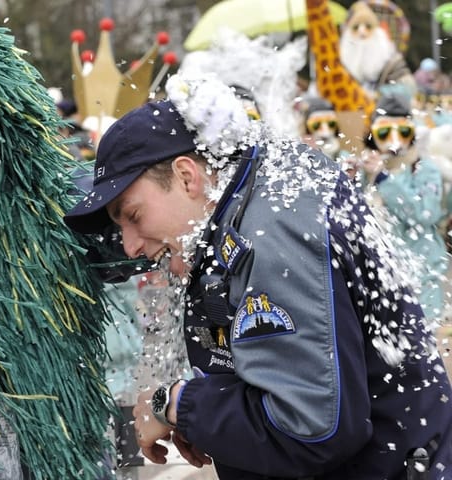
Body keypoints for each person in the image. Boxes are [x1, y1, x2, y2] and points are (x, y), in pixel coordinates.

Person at [63, 73, 452, 480]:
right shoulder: (255, 193)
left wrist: (176, 402)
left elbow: (312, 428)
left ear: (186, 176)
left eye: (134, 216)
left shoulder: (272, 229)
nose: (129, 246)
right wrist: (213, 425)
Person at [360, 90, 449, 322]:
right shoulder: (364, 168)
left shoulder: (424, 168)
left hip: (422, 277)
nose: (394, 139)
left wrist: (384, 179)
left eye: (403, 131)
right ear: (372, 134)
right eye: (384, 132)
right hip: (379, 278)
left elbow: (423, 214)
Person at [340, 1, 416, 98]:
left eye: (368, 26)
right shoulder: (341, 65)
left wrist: (380, 94)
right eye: (355, 27)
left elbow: (409, 88)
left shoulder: (393, 62)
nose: (362, 32)